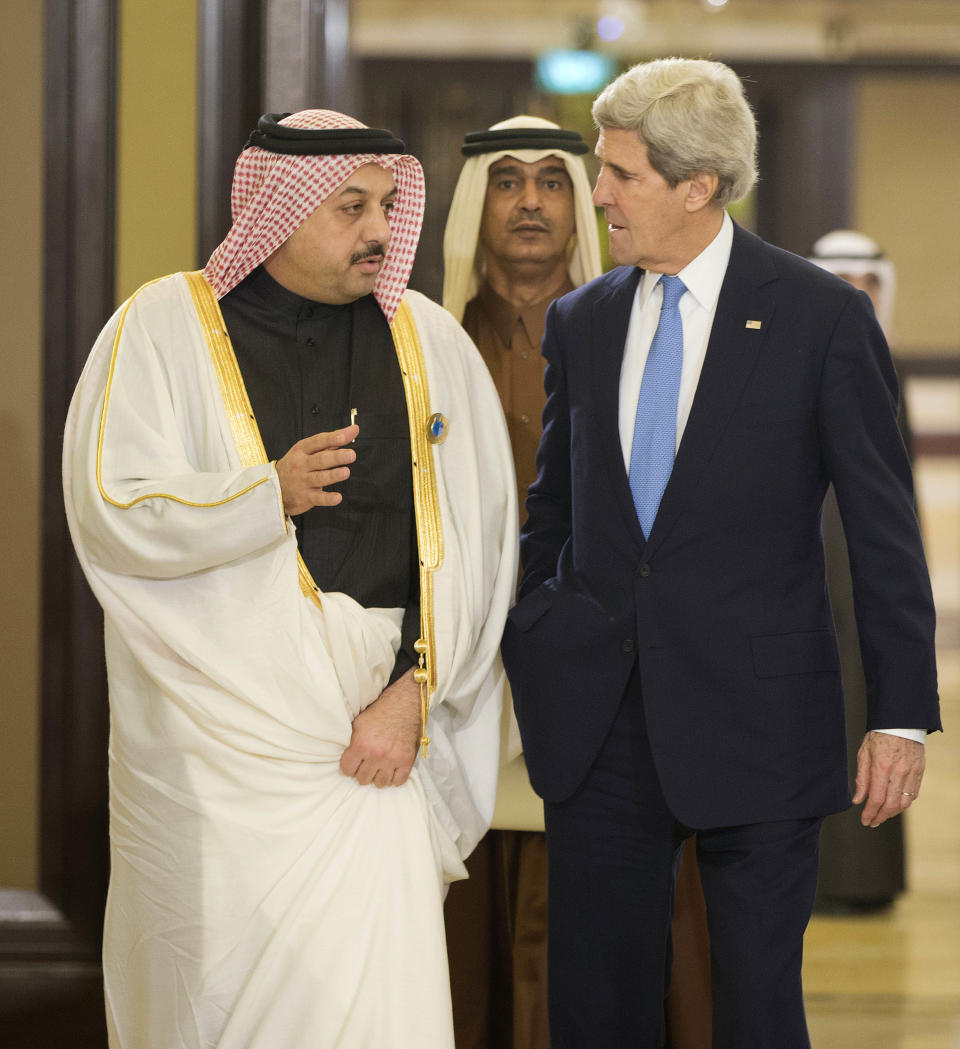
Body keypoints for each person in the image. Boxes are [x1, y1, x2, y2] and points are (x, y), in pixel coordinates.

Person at [500, 59, 941, 1049]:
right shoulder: (584, 318)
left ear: (696, 185)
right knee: (595, 1008)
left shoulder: (821, 318)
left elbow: (883, 531)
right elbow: (553, 513)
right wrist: (542, 634)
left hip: (762, 722)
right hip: (598, 727)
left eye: (618, 174)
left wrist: (901, 717)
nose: (596, 194)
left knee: (753, 1006)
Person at [62, 109, 517, 1049]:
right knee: (218, 999)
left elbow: (482, 546)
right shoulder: (161, 329)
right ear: (276, 209)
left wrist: (418, 690)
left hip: (378, 748)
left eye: (388, 205)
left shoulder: (429, 346)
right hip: (214, 757)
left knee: (377, 1012)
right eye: (350, 207)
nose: (381, 232)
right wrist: (260, 495)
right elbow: (110, 504)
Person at [442, 115, 712, 1048]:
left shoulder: (641, 325)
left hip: (619, 659)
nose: (529, 203)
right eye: (507, 182)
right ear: (476, 202)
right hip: (462, 659)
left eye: (552, 182)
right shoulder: (424, 345)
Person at [809, 230, 913, 911]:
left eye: (865, 283)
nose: (853, 295)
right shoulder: (792, 362)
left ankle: (863, 877)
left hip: (870, 583)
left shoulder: (885, 371)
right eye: (838, 281)